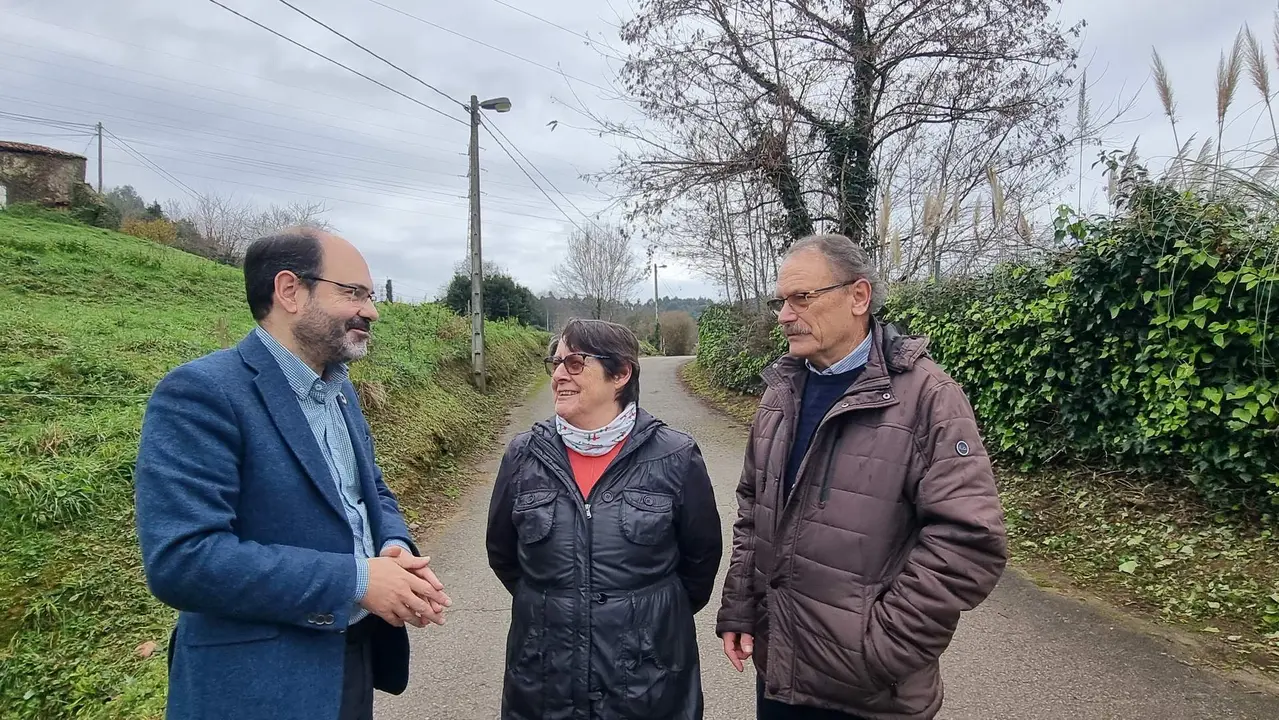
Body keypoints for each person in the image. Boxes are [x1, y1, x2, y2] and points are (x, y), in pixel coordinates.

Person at [134, 228, 451, 720]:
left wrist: (392, 545)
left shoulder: (339, 391)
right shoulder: (202, 393)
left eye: (370, 295)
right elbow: (183, 559)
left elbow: (369, 492)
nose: (372, 310)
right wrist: (355, 579)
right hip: (258, 685)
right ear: (289, 291)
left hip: (351, 659)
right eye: (353, 293)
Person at [716, 234, 1008, 720]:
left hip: (869, 695)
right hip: (780, 676)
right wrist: (742, 607)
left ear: (858, 297)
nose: (784, 315)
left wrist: (881, 649)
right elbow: (753, 510)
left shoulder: (928, 398)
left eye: (801, 298)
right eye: (780, 301)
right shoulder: (780, 393)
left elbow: (970, 540)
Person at [485, 318, 723, 720]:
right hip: (546, 678)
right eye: (556, 362)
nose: (559, 374)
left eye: (575, 363)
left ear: (621, 373)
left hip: (648, 681)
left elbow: (700, 562)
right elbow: (503, 554)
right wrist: (558, 604)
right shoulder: (523, 456)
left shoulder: (676, 455)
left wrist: (646, 620)